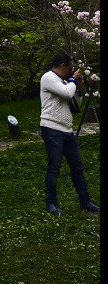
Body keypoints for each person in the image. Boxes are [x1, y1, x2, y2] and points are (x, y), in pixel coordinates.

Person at [40, 53, 100, 215]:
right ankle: (51, 204)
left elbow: (75, 106)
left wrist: (78, 90)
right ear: (62, 65)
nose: (70, 71)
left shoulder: (63, 82)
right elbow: (66, 93)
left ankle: (85, 202)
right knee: (54, 168)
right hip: (52, 129)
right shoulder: (48, 78)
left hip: (66, 130)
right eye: (69, 67)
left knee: (78, 167)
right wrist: (73, 80)